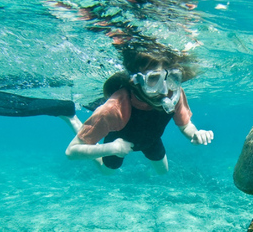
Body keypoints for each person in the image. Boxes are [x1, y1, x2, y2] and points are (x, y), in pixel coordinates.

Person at [62, 48, 214, 175]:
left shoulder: (175, 93)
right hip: (119, 141)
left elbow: (185, 126)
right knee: (107, 171)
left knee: (163, 171)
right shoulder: (114, 108)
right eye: (153, 79)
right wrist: (111, 148)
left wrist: (195, 134)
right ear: (136, 81)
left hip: (150, 139)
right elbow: (71, 152)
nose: (164, 89)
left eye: (171, 78)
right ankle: (71, 117)